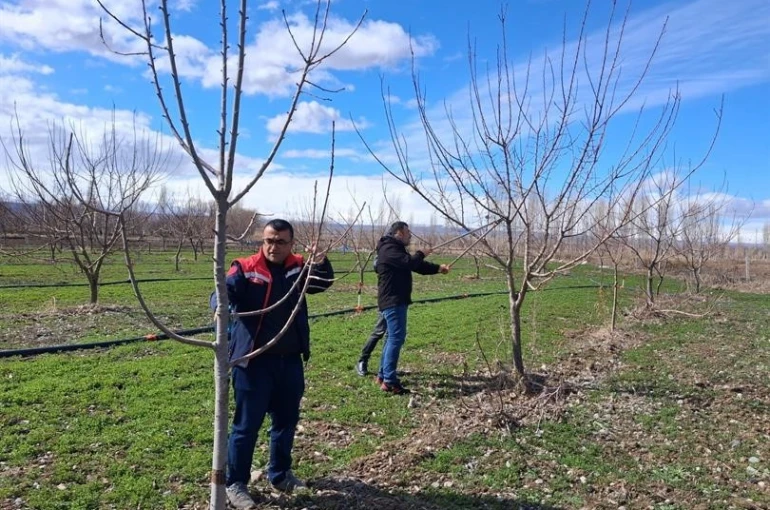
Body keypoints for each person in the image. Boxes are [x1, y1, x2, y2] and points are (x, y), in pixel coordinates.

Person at [223, 219, 333, 509]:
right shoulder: (246, 268)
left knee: (286, 421)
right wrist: (219, 306)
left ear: (291, 244)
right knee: (246, 426)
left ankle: (280, 474)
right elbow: (223, 292)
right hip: (253, 363)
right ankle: (236, 483)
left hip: (289, 362)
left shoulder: (298, 267)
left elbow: (322, 283)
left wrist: (321, 262)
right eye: (269, 240)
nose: (273, 247)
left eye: (281, 242)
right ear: (263, 241)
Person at [373, 221, 449, 394]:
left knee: (391, 338)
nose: (410, 236)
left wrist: (438, 268)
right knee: (396, 338)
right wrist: (421, 253)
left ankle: (383, 375)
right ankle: (389, 381)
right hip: (393, 301)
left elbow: (417, 266)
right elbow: (410, 262)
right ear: (399, 233)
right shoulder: (389, 249)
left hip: (394, 300)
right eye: (408, 233)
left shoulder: (395, 249)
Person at [355, 312, 386, 376]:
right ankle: (363, 360)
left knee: (391, 336)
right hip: (387, 307)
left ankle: (387, 366)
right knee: (378, 332)